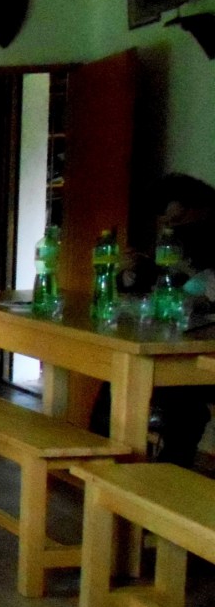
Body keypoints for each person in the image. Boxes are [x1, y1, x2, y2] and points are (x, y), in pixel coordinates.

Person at [94, 172, 215, 467]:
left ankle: (165, 474)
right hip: (180, 337)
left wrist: (188, 274)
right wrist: (131, 273)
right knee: (117, 378)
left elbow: (199, 286)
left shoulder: (202, 235)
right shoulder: (177, 236)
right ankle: (99, 461)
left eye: (177, 217)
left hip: (204, 353)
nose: (171, 225)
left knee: (182, 400)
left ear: (196, 205)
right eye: (167, 220)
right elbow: (160, 286)